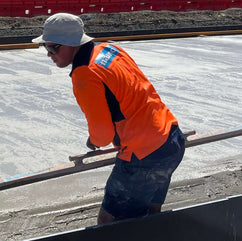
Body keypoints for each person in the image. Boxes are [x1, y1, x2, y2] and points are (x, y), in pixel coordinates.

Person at [33, 12, 185, 224]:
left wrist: (94, 140)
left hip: (143, 155)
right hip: (171, 137)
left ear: (71, 44)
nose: (49, 54)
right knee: (150, 212)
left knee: (110, 223)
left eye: (53, 48)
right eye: (46, 47)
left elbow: (103, 135)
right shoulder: (109, 49)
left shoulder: (84, 74)